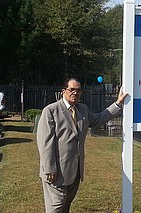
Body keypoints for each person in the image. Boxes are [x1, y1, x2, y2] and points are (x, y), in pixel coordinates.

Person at [36, 78, 128, 213]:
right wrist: (50, 168)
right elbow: (45, 142)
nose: (75, 93)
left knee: (65, 207)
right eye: (71, 90)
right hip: (55, 173)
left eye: (78, 90)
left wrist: (118, 104)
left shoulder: (82, 109)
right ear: (63, 91)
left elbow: (98, 119)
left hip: (75, 172)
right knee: (55, 207)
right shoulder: (51, 111)